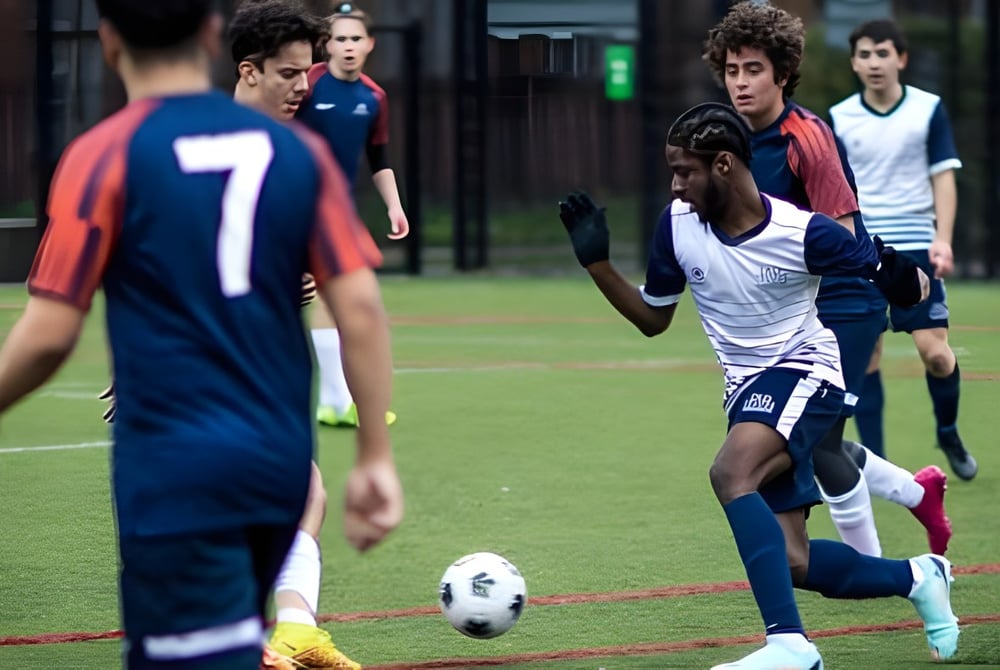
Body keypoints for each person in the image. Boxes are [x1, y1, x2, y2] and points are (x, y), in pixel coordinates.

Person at [0, 0, 403, 667]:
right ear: (215, 36)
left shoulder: (102, 154)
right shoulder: (299, 154)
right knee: (242, 626)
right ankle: (291, 630)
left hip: (176, 458)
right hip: (277, 454)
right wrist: (375, 455)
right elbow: (359, 309)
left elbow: (48, 335)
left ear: (107, 41)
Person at [558, 101, 958, 670]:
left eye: (684, 171)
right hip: (748, 394)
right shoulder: (676, 225)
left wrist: (903, 280)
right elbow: (654, 318)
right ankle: (920, 575)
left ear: (723, 165)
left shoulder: (804, 233)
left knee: (731, 472)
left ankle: (789, 646)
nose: (674, 186)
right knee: (792, 562)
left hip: (806, 374)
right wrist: (596, 263)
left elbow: (904, 282)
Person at [702, 0, 951, 558]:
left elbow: (843, 242)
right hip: (790, 306)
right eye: (732, 70)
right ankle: (918, 494)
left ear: (783, 73)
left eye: (754, 70)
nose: (740, 83)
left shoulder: (809, 137)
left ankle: (882, 572)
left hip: (843, 299)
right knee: (820, 440)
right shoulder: (724, 140)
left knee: (818, 444)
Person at [829, 18, 978, 481]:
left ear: (902, 59)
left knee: (935, 354)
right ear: (854, 62)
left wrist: (944, 239)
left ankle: (948, 431)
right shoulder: (838, 118)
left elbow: (942, 176)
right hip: (863, 248)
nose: (875, 63)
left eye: (883, 53)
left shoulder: (927, 109)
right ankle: (878, 463)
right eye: (866, 54)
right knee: (867, 355)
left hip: (915, 245)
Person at [297, 1, 409, 429]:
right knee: (325, 296)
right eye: (340, 38)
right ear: (326, 44)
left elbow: (379, 158)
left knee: (338, 297)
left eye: (355, 38)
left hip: (337, 211)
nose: (347, 46)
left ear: (369, 45)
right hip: (298, 207)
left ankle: (336, 401)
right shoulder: (305, 84)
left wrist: (394, 206)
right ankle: (335, 400)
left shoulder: (374, 97)